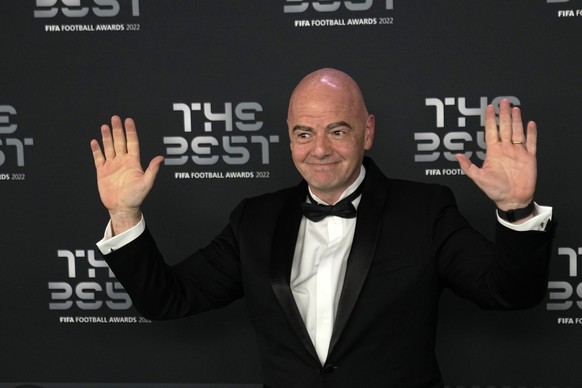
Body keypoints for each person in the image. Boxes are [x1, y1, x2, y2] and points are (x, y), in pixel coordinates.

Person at [91, 68, 553, 388]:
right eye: (304, 133)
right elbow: (166, 299)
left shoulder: (425, 210)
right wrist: (125, 215)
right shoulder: (254, 219)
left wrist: (516, 209)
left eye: (338, 130)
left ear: (367, 131)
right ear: (288, 135)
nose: (320, 150)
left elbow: (509, 293)